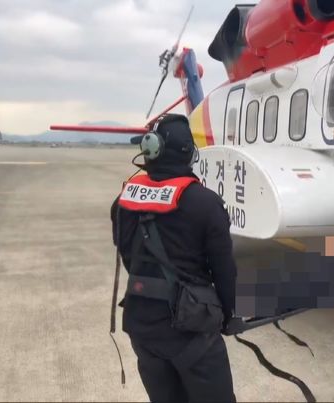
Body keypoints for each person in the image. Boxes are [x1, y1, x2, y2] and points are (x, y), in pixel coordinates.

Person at [111, 114, 237, 402]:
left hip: (141, 325)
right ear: (190, 154)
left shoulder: (122, 203)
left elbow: (128, 255)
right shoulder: (206, 203)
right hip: (192, 332)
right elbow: (224, 270)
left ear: (151, 150)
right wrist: (228, 316)